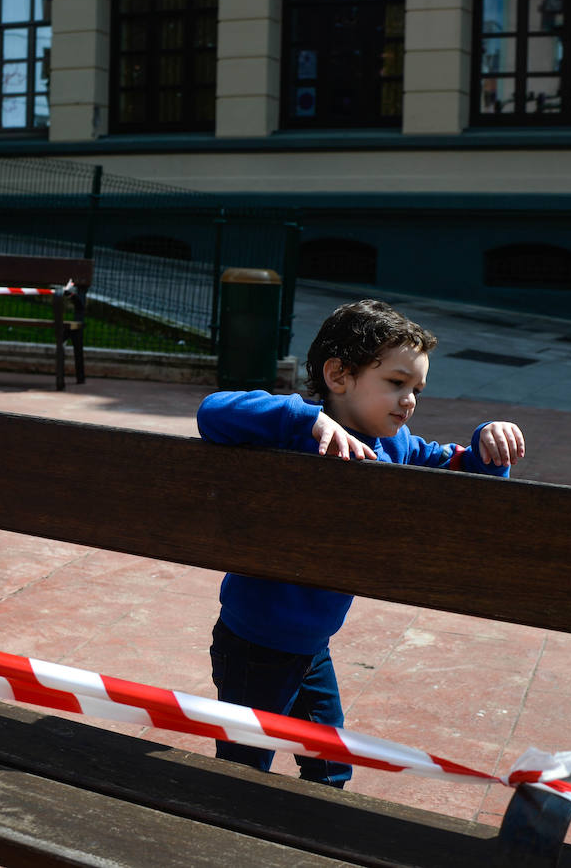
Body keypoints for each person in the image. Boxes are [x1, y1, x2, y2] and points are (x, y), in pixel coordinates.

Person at [197, 299, 525, 787]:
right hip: (254, 642)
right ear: (339, 375)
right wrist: (304, 419)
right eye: (396, 383)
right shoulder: (295, 430)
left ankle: (315, 836)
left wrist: (488, 442)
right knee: (245, 767)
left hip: (312, 645)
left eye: (416, 389)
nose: (409, 399)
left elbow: (461, 470)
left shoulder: (399, 446)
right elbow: (213, 411)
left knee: (331, 765)